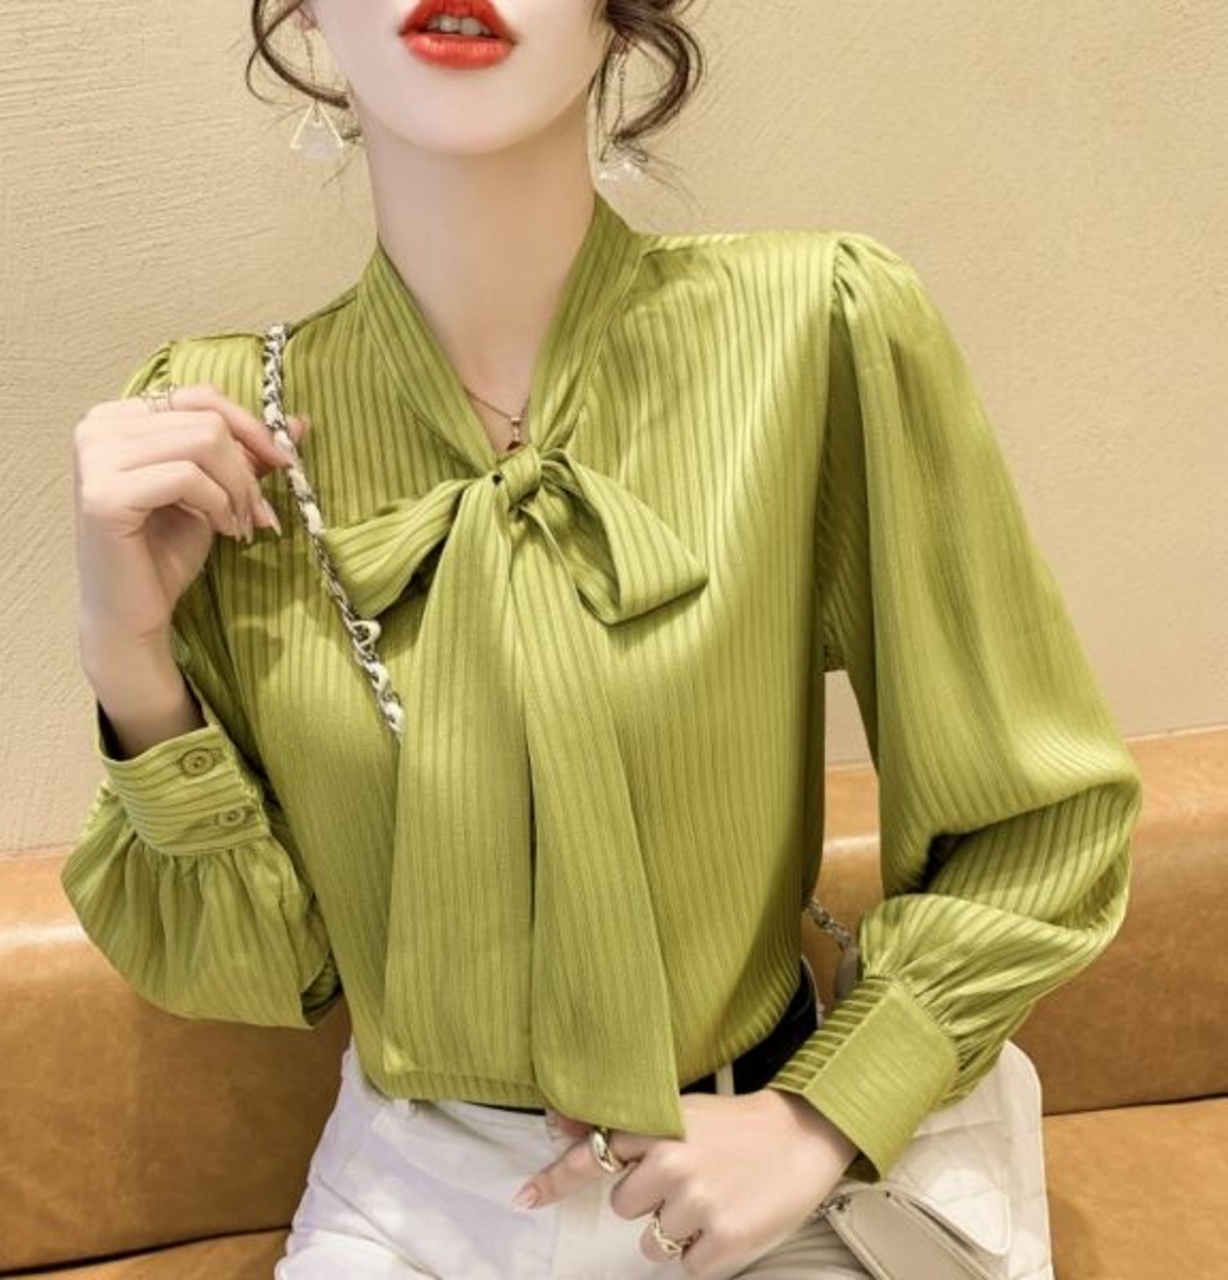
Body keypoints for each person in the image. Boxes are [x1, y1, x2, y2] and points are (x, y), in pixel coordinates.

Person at [62, 2, 1144, 1277]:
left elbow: (1035, 814)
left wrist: (821, 1113)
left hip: (757, 1162)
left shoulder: (815, 328)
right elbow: (267, 970)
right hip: (415, 1204)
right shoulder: (216, 437)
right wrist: (128, 656)